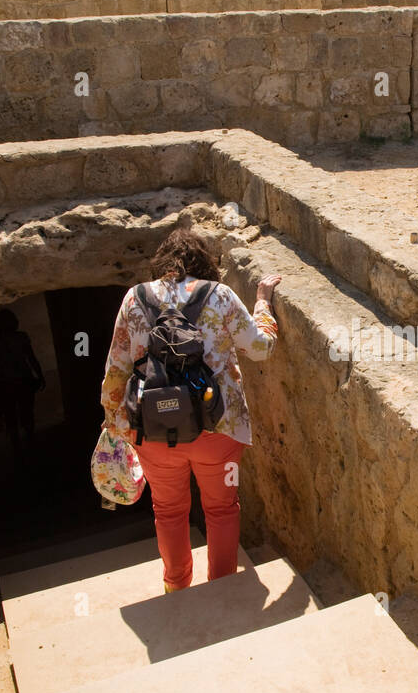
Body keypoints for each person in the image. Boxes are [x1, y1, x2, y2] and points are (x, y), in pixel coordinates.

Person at [100, 230, 282, 592]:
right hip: (219, 428)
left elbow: (115, 371)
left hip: (152, 432)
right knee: (222, 509)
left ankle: (176, 587)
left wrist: (114, 423)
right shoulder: (221, 296)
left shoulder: (133, 299)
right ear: (204, 263)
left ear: (161, 263)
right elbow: (260, 349)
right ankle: (222, 587)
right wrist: (263, 304)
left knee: (168, 512)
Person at [0, 309, 45, 452]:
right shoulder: (20, 337)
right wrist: (40, 375)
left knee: (11, 416)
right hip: (22, 381)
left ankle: (17, 447)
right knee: (26, 414)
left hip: (5, 384)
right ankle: (30, 442)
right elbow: (31, 358)